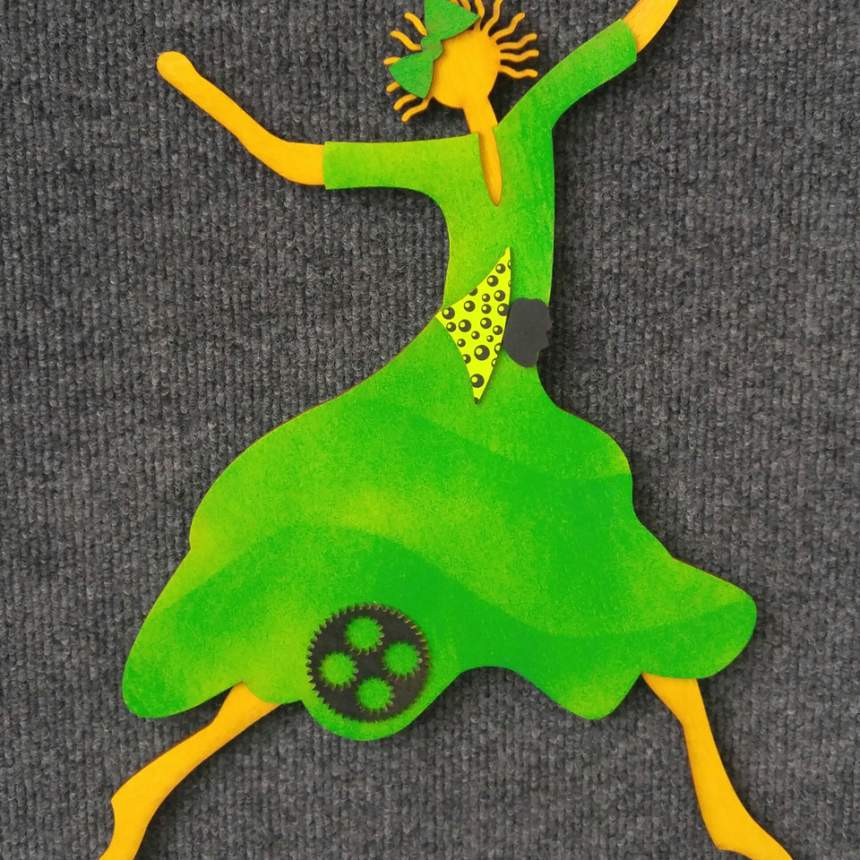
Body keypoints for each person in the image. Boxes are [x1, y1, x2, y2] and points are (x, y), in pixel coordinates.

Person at [102, 2, 791, 858]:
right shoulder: (439, 161)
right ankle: (154, 783)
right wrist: (208, 95)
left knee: (615, 566)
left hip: (514, 401)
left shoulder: (533, 122)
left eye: (469, 49)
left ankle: (719, 801)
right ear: (429, 86)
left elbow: (619, 43)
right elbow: (295, 160)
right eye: (443, 63)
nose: (462, 68)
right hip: (447, 387)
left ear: (497, 53)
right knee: (356, 560)